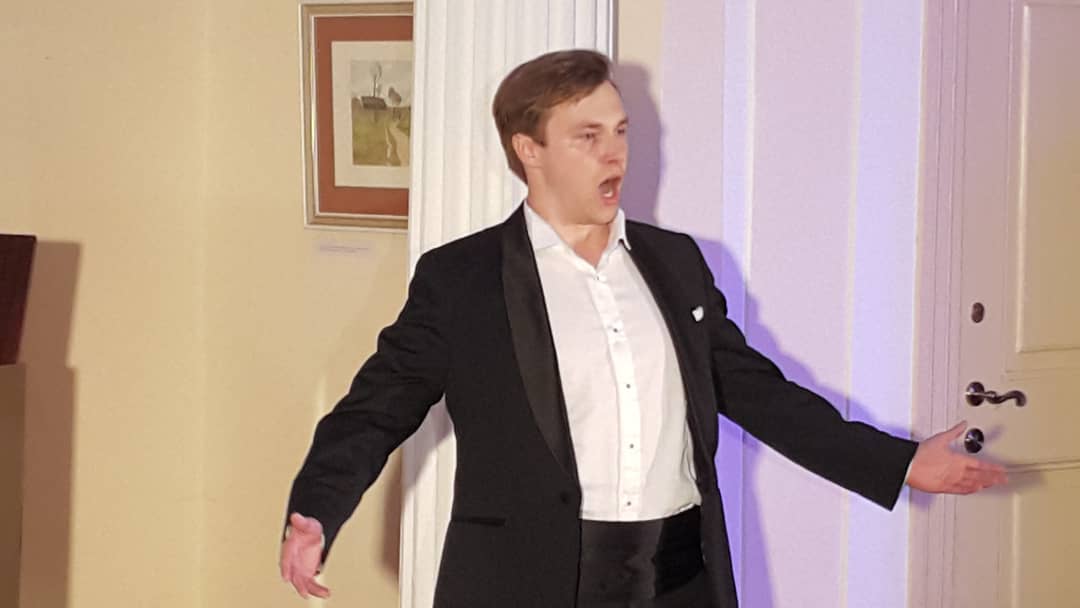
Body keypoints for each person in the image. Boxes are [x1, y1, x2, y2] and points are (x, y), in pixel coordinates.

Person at [280, 49, 1006, 607]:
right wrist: (317, 507)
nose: (615, 153)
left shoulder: (675, 262)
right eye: (588, 136)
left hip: (680, 581)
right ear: (529, 150)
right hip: (532, 582)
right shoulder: (462, 280)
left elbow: (754, 390)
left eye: (621, 131)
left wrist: (895, 462)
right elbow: (375, 409)